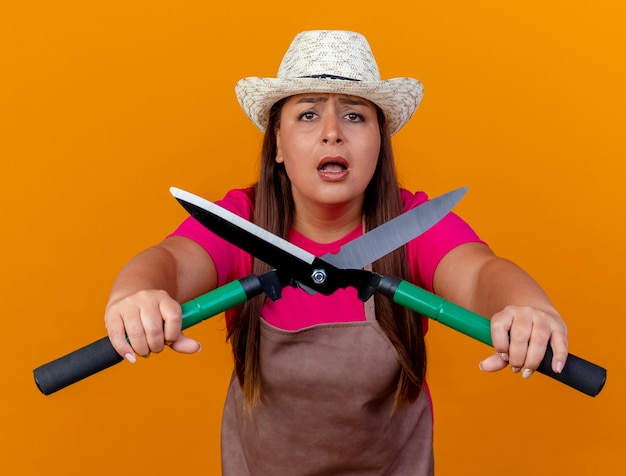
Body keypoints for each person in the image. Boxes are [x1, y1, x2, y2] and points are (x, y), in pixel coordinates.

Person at [104, 30, 568, 475]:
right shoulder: (243, 224)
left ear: (380, 144)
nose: (331, 133)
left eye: (354, 115)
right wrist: (138, 294)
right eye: (307, 115)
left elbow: (480, 274)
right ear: (279, 145)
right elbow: (171, 260)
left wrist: (527, 308)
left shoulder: (411, 226)